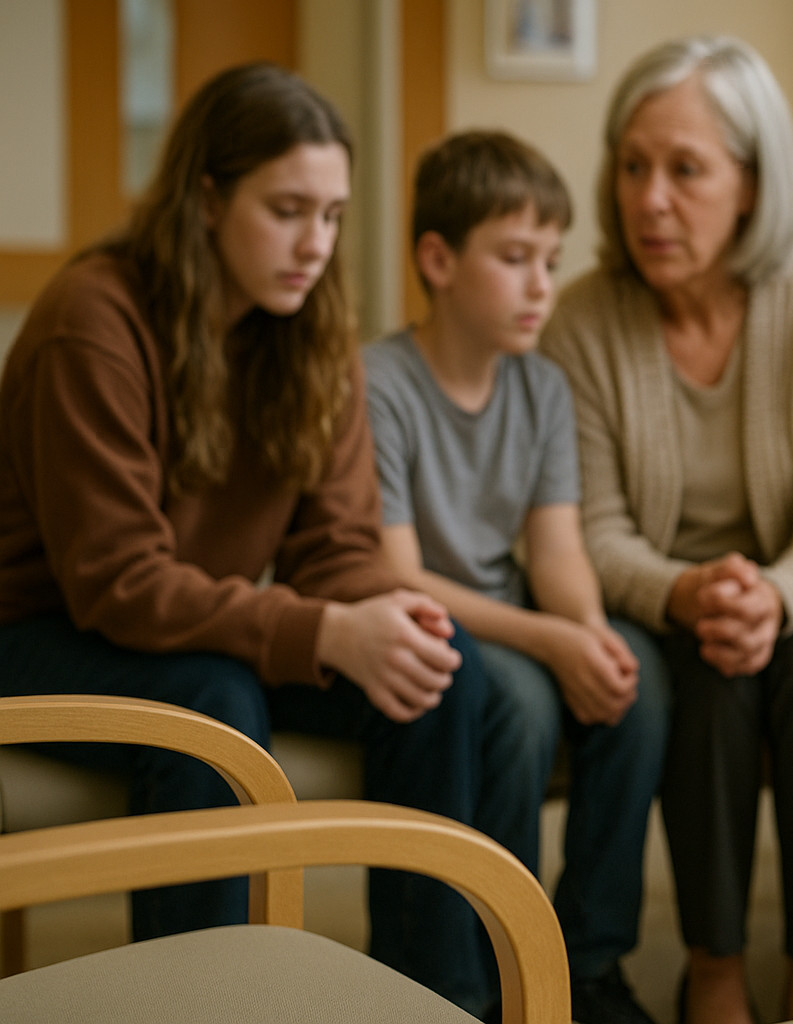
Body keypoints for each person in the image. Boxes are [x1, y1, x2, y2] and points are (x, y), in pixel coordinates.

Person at [0, 63, 524, 1019]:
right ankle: (201, 1004)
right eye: (287, 210)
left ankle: (437, 1000)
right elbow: (118, 581)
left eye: (331, 215)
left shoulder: (312, 332)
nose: (314, 244)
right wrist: (323, 632)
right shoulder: (93, 322)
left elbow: (338, 547)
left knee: (441, 668)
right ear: (206, 197)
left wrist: (378, 611)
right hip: (38, 628)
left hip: (191, 619)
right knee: (214, 703)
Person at [539, 35, 793, 1024]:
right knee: (706, 673)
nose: (650, 198)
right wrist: (685, 592)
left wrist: (772, 593)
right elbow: (589, 529)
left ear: (751, 181)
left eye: (684, 170)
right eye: (633, 166)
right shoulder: (582, 322)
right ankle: (716, 968)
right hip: (662, 611)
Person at [363, 130, 668, 1024]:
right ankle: (497, 972)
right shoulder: (379, 383)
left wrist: (589, 635)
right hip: (433, 622)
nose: (543, 285)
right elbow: (397, 574)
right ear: (438, 259)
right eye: (514, 258)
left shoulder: (540, 389)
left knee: (638, 681)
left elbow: (558, 548)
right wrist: (551, 639)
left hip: (513, 617)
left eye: (551, 260)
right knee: (524, 706)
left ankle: (585, 961)